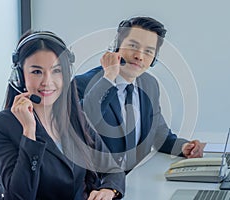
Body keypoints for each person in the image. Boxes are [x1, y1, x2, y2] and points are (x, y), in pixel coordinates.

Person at [0, 31, 125, 200]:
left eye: (56, 71)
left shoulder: (72, 115)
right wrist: (29, 132)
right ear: (20, 77)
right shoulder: (0, 125)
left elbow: (112, 167)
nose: (47, 81)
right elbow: (20, 196)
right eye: (37, 72)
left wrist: (109, 190)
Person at [74, 16, 205, 173]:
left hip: (135, 183)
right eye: (133, 46)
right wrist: (108, 78)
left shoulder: (149, 85)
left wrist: (184, 147)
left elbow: (159, 134)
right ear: (116, 46)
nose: (139, 56)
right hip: (98, 189)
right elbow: (81, 126)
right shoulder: (83, 84)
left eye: (148, 51)